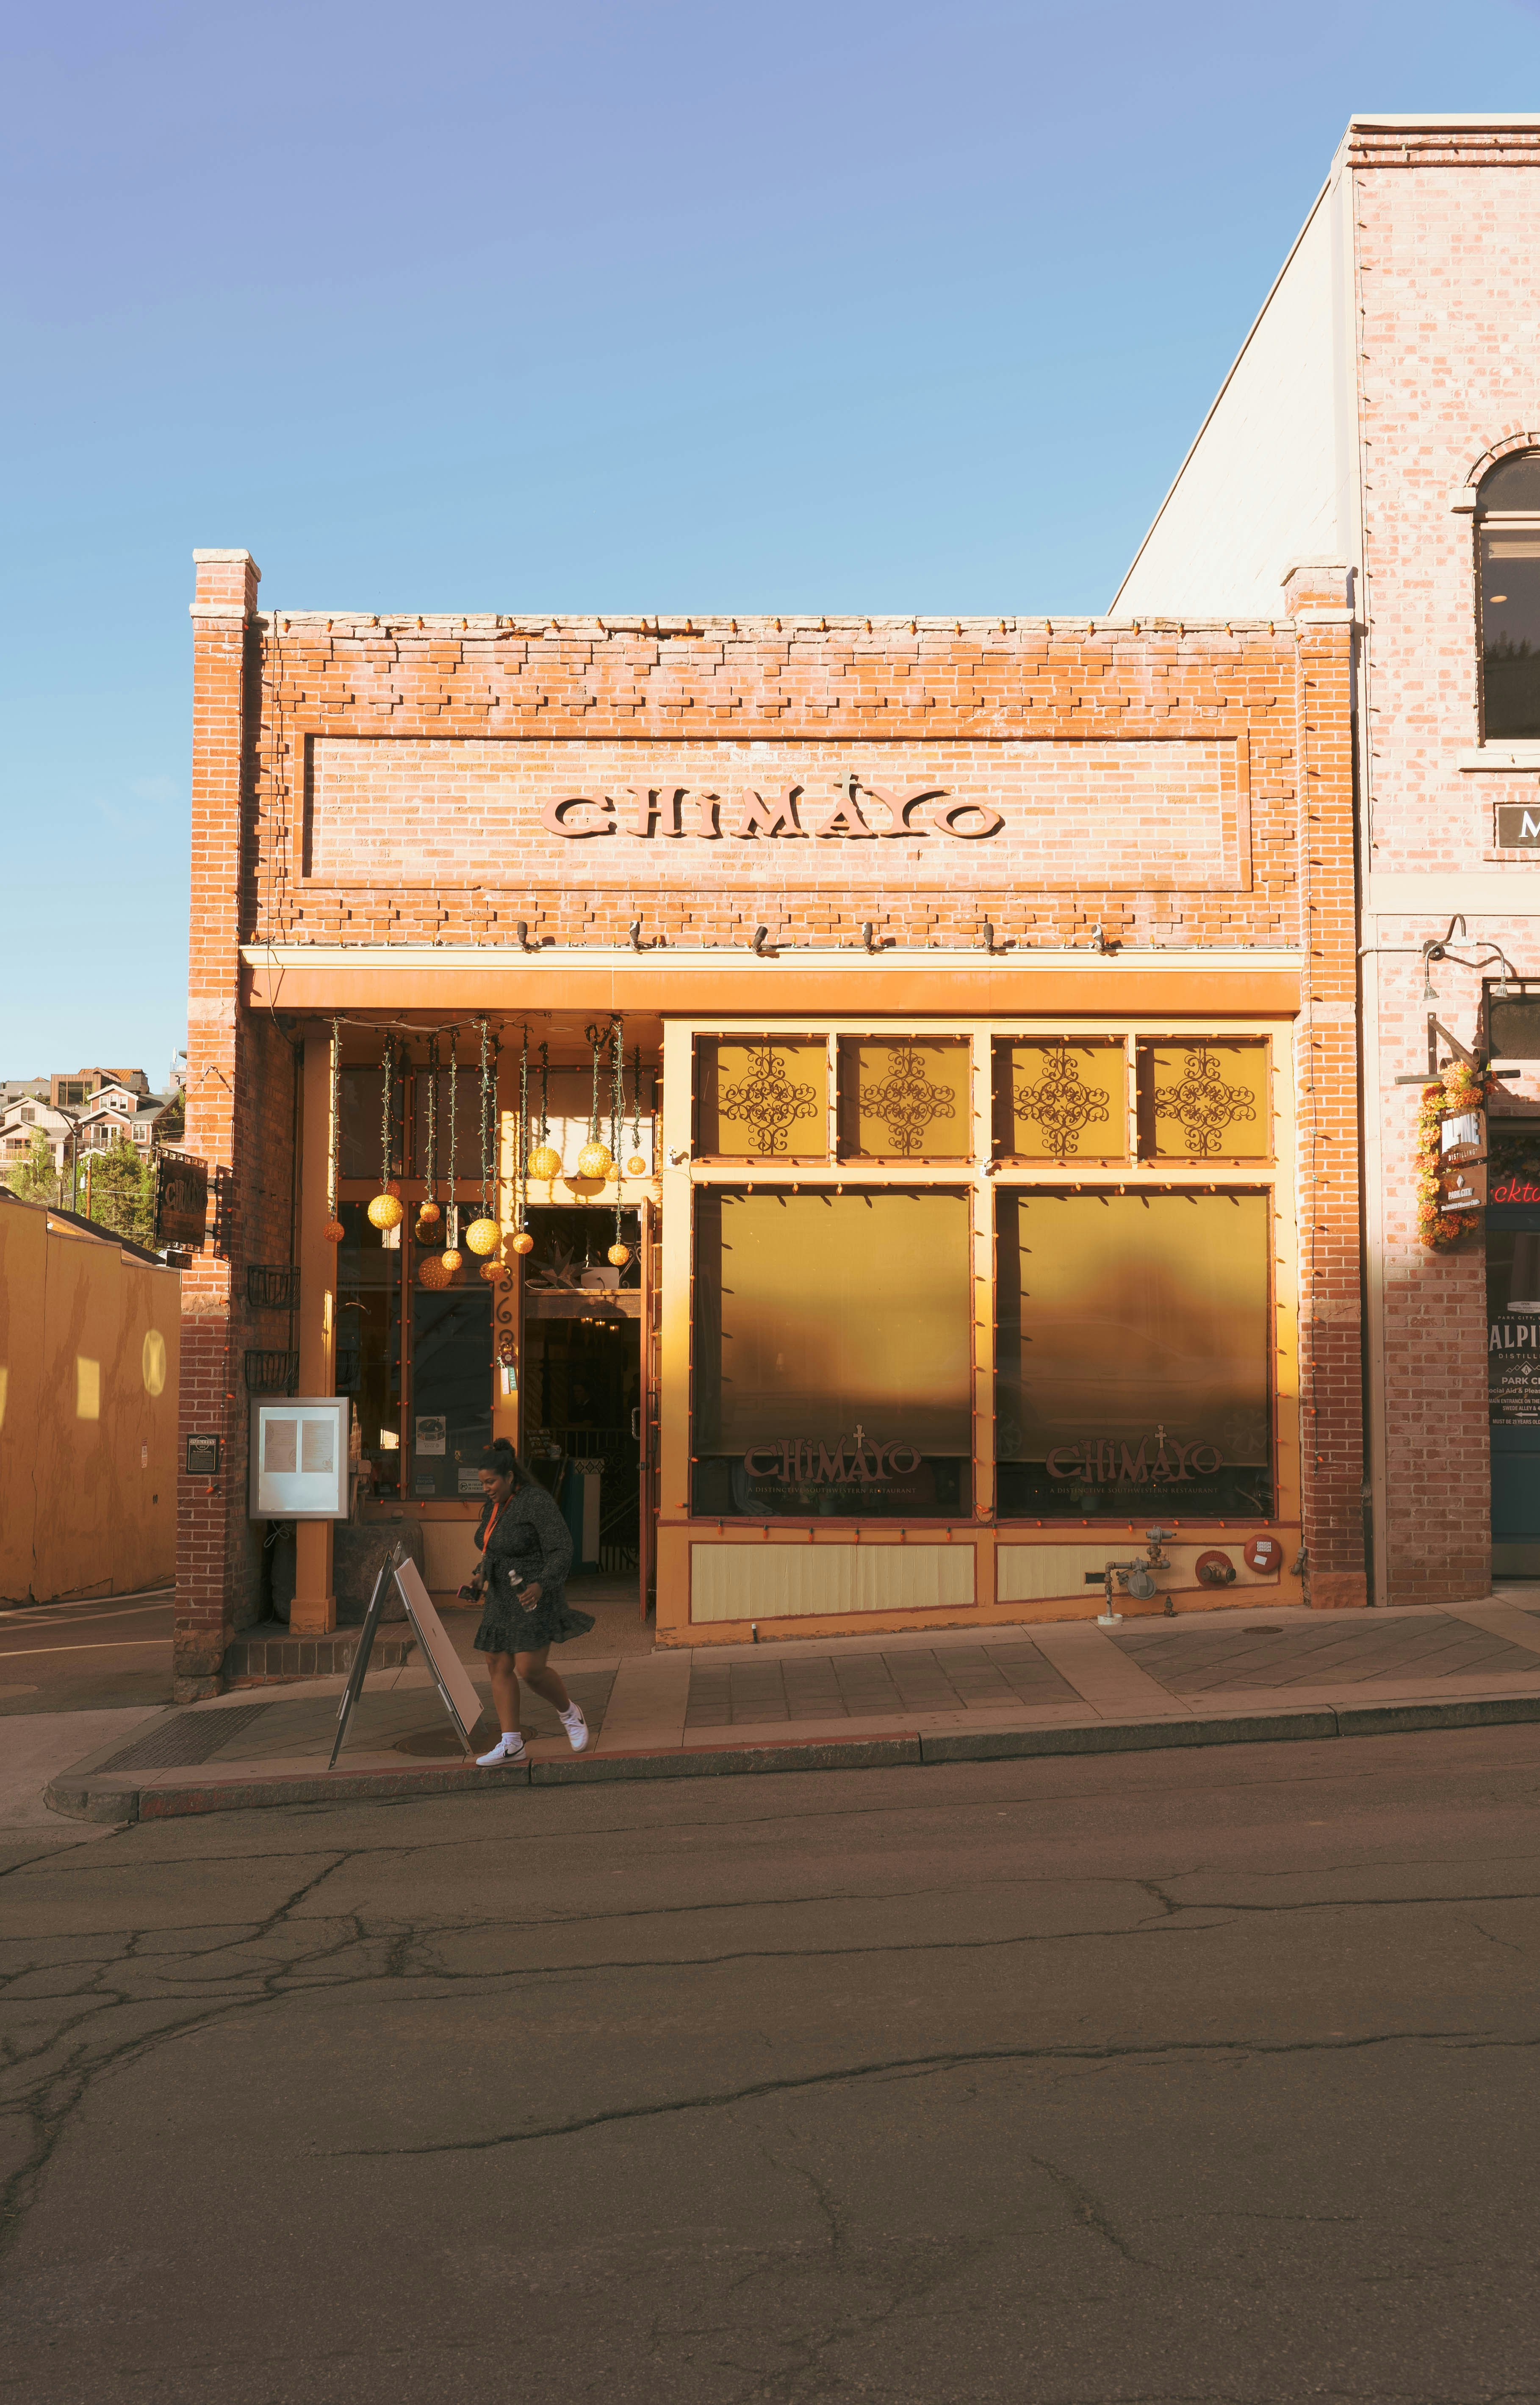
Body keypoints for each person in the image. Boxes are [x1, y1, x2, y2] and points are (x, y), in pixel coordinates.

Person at [469, 1440, 595, 1767]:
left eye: (491, 1482)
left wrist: (541, 1584)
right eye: (483, 1483)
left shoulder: (536, 1501)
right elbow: (492, 1548)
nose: (486, 1489)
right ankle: (512, 1743)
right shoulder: (494, 1507)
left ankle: (570, 1713)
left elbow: (562, 1548)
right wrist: (481, 1576)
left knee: (530, 1670)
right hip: (500, 1597)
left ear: (510, 1476)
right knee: (498, 1665)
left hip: (533, 1595)